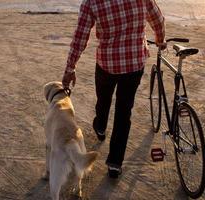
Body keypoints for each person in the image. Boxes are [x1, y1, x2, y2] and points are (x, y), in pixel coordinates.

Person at [62, 0, 166, 178]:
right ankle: (115, 164)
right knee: (124, 112)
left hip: (107, 64)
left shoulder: (91, 2)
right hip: (134, 64)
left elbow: (80, 37)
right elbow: (157, 19)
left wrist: (70, 68)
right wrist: (160, 39)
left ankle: (100, 126)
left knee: (103, 99)